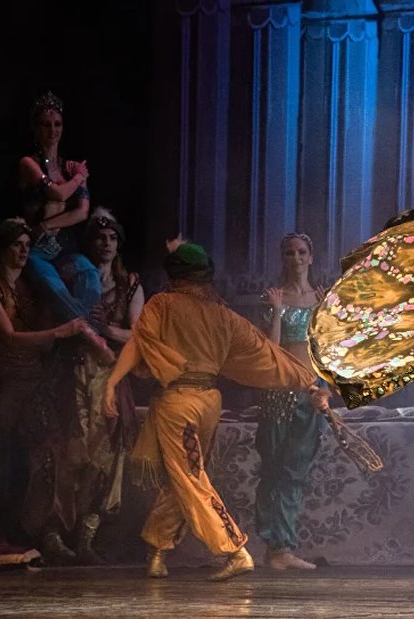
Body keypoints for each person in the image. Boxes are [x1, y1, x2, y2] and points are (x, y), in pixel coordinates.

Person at [102, 239, 329, 582]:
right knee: (182, 476)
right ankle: (158, 550)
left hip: (177, 403)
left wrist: (111, 382)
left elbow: (138, 343)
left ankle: (233, 549)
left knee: (188, 477)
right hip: (209, 402)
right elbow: (267, 355)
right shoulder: (221, 313)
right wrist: (309, 384)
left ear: (175, 275)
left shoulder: (162, 304)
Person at [0, 219, 91, 568]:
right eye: (17, 244)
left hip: (32, 385)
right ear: (1, 249)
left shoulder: (29, 287)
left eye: (28, 244)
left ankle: (30, 532)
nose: (24, 250)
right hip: (2, 386)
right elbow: (8, 337)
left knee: (36, 460)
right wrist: (60, 331)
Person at [48, 208, 143, 564]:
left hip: (109, 375)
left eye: (112, 238)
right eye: (100, 238)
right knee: (68, 450)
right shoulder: (71, 278)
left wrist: (106, 330)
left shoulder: (129, 284)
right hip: (73, 372)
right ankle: (56, 534)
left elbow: (140, 336)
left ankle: (88, 534)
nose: (106, 243)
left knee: (106, 455)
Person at [16, 91, 108, 359]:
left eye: (57, 124)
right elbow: (57, 194)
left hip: (64, 249)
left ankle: (85, 338)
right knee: (53, 285)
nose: (52, 130)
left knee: (89, 275)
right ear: (36, 128)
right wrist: (79, 178)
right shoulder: (29, 164)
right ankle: (92, 336)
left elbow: (82, 212)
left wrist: (48, 225)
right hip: (36, 249)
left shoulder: (69, 168)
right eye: (46, 124)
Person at [256, 233, 326, 570]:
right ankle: (276, 547)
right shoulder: (274, 297)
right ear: (282, 258)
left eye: (301, 252)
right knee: (273, 468)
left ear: (311, 257)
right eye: (289, 253)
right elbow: (270, 351)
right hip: (279, 391)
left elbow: (326, 351)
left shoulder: (321, 299)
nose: (296, 258)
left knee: (296, 470)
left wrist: (324, 390)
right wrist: (277, 312)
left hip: (310, 393)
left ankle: (283, 548)